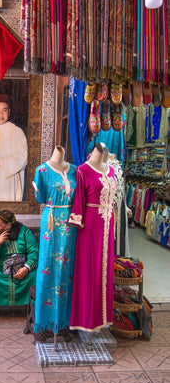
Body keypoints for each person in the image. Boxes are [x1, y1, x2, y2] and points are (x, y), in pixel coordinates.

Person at [68, 142, 116, 332]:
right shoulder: (82, 170)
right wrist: (77, 219)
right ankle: (86, 319)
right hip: (90, 227)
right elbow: (79, 198)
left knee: (105, 271)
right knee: (89, 270)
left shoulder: (111, 170)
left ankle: (103, 318)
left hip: (108, 225)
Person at [32, 146, 78, 342]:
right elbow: (40, 198)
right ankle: (43, 325)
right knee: (47, 269)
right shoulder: (41, 170)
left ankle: (64, 323)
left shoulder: (75, 170)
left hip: (70, 222)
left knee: (68, 271)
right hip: (51, 220)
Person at [0, 210, 39, 323]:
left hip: (21, 264)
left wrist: (26, 268)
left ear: (9, 224)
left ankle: (32, 310)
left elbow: (33, 251)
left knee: (33, 275)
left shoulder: (24, 231)